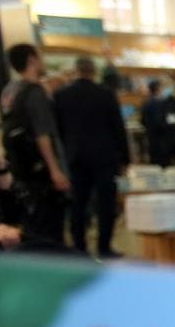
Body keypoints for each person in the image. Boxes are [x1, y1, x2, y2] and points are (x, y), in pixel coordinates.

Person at [54, 56, 129, 257]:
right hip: (104, 156)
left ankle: (80, 247)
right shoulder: (105, 94)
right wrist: (125, 158)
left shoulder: (61, 96)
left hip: (75, 157)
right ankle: (104, 247)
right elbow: (118, 128)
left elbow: (58, 130)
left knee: (78, 204)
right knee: (106, 204)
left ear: (75, 71)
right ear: (93, 72)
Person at [1, 44, 70, 250]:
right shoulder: (35, 93)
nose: (43, 62)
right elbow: (43, 135)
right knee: (50, 230)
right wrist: (55, 170)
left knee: (33, 228)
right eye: (40, 57)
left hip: (22, 172)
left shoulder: (10, 91)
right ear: (31, 60)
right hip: (41, 175)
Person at [140, 79, 175, 167]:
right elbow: (161, 122)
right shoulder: (159, 103)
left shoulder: (146, 103)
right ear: (158, 89)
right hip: (163, 143)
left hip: (153, 142)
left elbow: (143, 121)